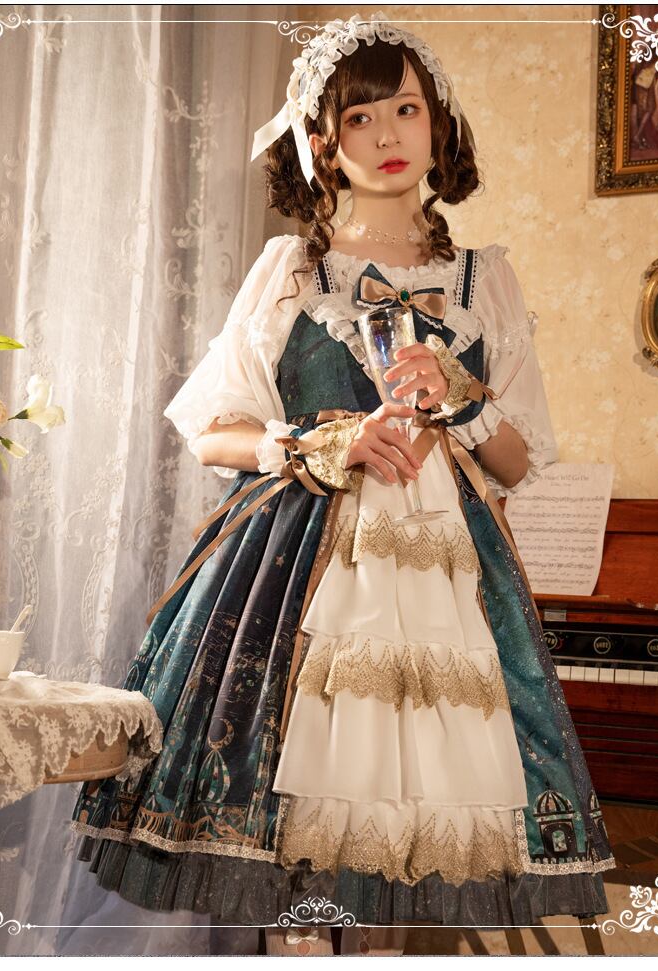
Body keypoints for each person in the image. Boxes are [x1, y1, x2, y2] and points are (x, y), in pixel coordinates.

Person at [70, 12, 615, 957]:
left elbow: (521, 462)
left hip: (453, 592)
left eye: (406, 109)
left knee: (437, 832)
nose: (387, 134)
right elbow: (210, 430)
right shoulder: (292, 269)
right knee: (301, 843)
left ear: (438, 124)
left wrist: (462, 395)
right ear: (321, 142)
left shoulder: (486, 280)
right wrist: (327, 441)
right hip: (301, 581)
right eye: (359, 117)